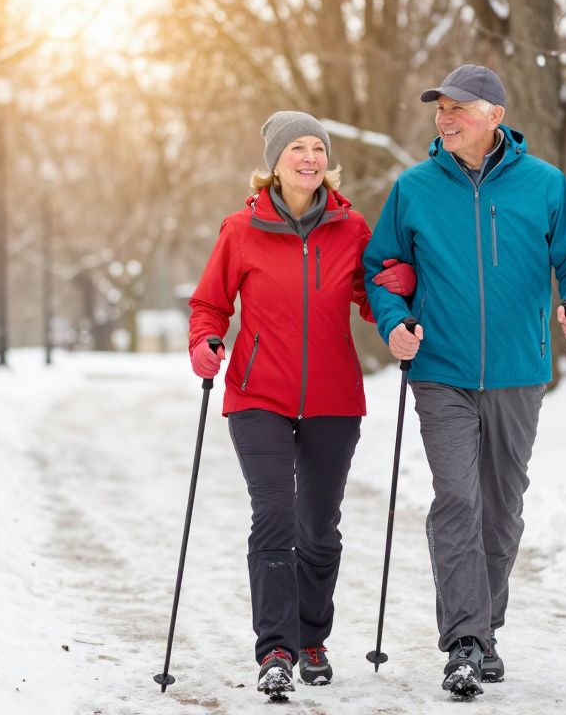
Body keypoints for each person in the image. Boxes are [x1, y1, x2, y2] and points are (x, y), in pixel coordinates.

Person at [362, 64, 566, 698]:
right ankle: (465, 641)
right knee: (457, 500)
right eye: (440, 109)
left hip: (518, 373)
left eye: (459, 108)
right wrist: (394, 321)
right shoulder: (414, 188)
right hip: (440, 370)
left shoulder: (544, 185)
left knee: (501, 510)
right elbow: (386, 268)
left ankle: (484, 631)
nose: (445, 119)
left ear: (495, 115)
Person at [188, 111, 415, 699]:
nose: (310, 157)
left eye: (318, 148)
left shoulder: (352, 227)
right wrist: (204, 342)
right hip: (257, 394)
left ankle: (312, 639)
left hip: (333, 399)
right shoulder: (240, 229)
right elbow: (210, 305)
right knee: (275, 516)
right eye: (298, 148)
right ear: (275, 161)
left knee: (318, 528)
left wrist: (396, 291)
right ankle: (276, 651)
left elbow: (371, 299)